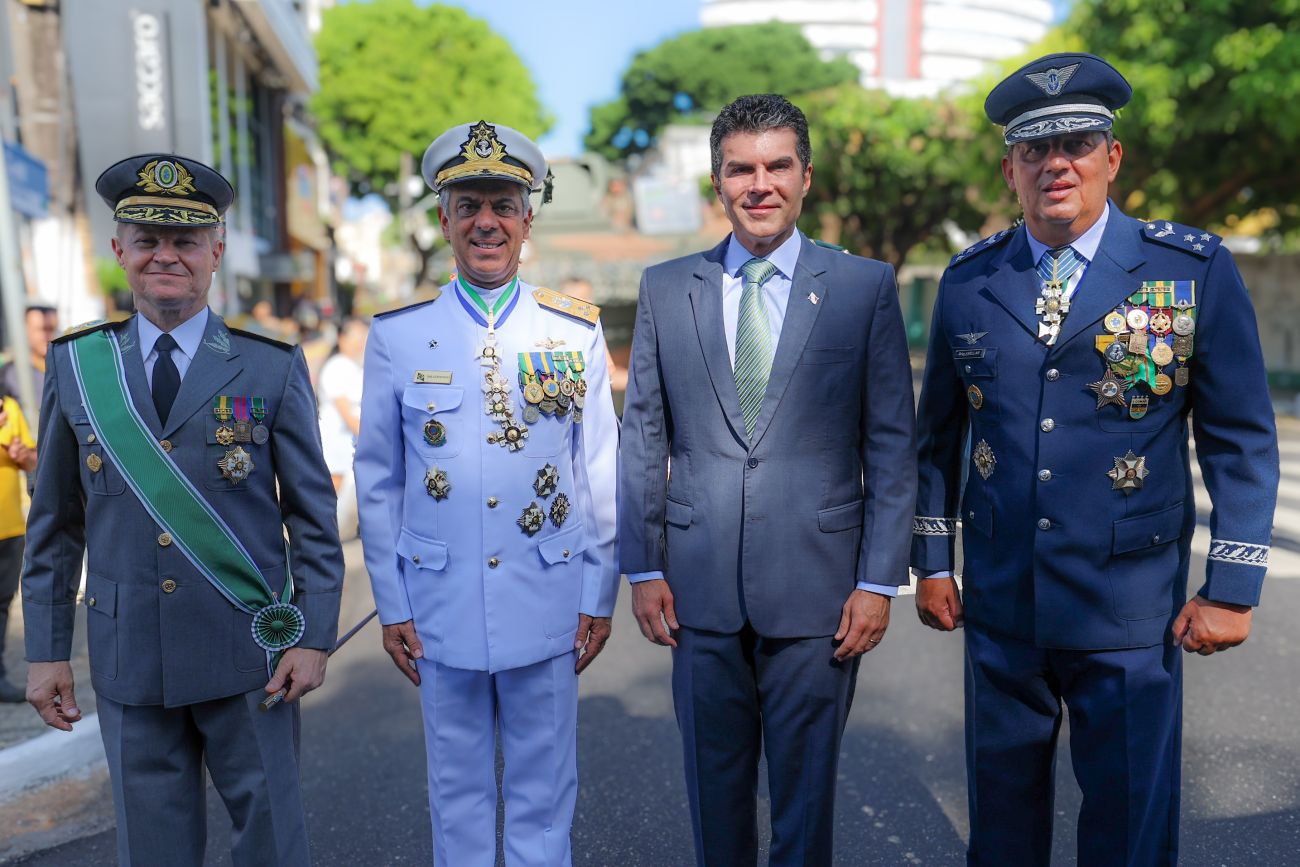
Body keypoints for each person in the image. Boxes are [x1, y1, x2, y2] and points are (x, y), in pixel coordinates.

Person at [912, 53, 1279, 866]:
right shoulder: (972, 282)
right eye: (1035, 150)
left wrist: (1234, 586)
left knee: (1127, 831)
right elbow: (935, 436)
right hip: (1003, 609)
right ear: (1010, 168)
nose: (1057, 164)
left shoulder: (1188, 271)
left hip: (1128, 607)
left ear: (1112, 157)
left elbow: (1241, 437)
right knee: (1002, 830)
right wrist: (934, 562)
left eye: (1077, 142)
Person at [618, 93, 917, 866]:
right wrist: (643, 564)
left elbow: (890, 445)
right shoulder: (664, 288)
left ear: (805, 176)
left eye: (777, 166)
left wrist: (880, 581)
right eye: (740, 169)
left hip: (820, 597)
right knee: (714, 807)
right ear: (718, 183)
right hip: (697, 593)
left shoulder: (863, 288)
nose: (760, 184)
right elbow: (645, 433)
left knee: (804, 805)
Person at [22, 153, 345, 866]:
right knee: (153, 848)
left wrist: (313, 633)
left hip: (249, 656)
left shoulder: (271, 365)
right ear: (120, 250)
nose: (166, 255)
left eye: (185, 241)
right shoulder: (78, 367)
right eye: (147, 239)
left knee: (271, 839)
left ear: (215, 252)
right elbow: (54, 526)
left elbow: (315, 519)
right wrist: (45, 651)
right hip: (130, 655)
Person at [354, 120, 618, 866]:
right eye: (468, 204)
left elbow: (599, 466)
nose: (486, 222)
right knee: (458, 797)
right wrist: (394, 602)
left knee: (543, 796)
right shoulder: (400, 336)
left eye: (502, 203)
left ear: (528, 217)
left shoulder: (573, 332)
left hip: (548, 593)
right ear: (443, 219)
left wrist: (599, 593)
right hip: (440, 607)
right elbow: (378, 477)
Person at [317, 316, 368, 538]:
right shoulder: (337, 366)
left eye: (364, 336)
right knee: (333, 486)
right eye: (355, 336)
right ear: (342, 338)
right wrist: (369, 437)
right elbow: (345, 409)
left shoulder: (354, 366)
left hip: (351, 440)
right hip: (337, 439)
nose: (361, 341)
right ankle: (322, 534)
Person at [0, 388, 36, 702]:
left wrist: (22, 454)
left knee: (2, 605)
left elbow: (33, 461)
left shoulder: (8, 406)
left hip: (9, 527)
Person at [2, 303, 58, 423]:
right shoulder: (9, 374)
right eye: (41, 329)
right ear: (25, 330)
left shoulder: (67, 368)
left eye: (51, 329)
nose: (47, 336)